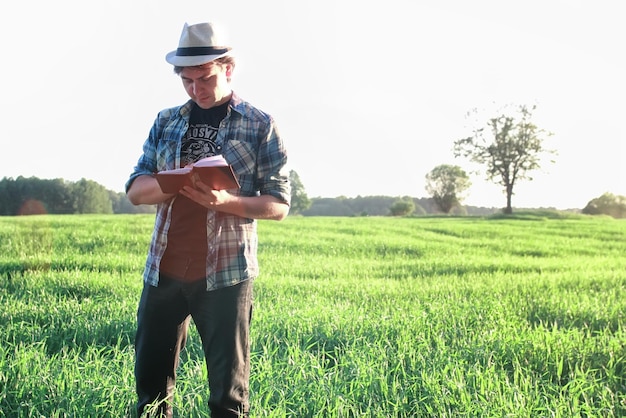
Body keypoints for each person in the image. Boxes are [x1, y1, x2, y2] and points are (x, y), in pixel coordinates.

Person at [125, 21, 290, 418]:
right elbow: (135, 190)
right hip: (163, 269)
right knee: (151, 393)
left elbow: (279, 204)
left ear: (228, 69)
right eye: (187, 80)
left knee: (227, 398)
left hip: (225, 274)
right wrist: (173, 183)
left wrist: (223, 201)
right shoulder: (166, 121)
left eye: (205, 78)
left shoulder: (260, 124)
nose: (196, 89)